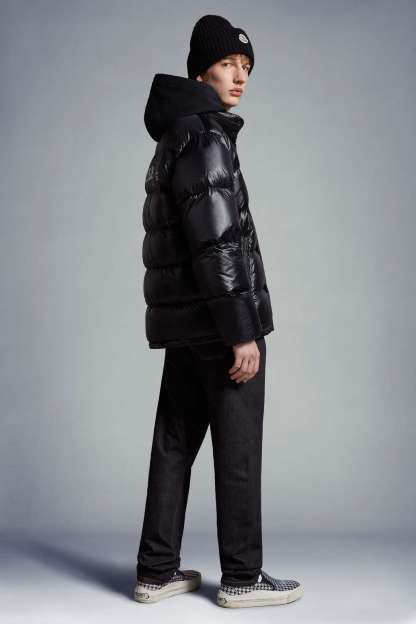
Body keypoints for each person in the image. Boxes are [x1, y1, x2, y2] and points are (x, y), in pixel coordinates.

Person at [134, 14, 304, 608]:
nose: (240, 76)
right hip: (219, 323)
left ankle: (156, 570)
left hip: (189, 323)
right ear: (200, 71)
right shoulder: (205, 135)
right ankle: (242, 576)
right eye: (228, 63)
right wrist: (242, 332)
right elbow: (217, 243)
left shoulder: (175, 134)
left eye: (247, 66)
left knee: (174, 440)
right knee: (238, 446)